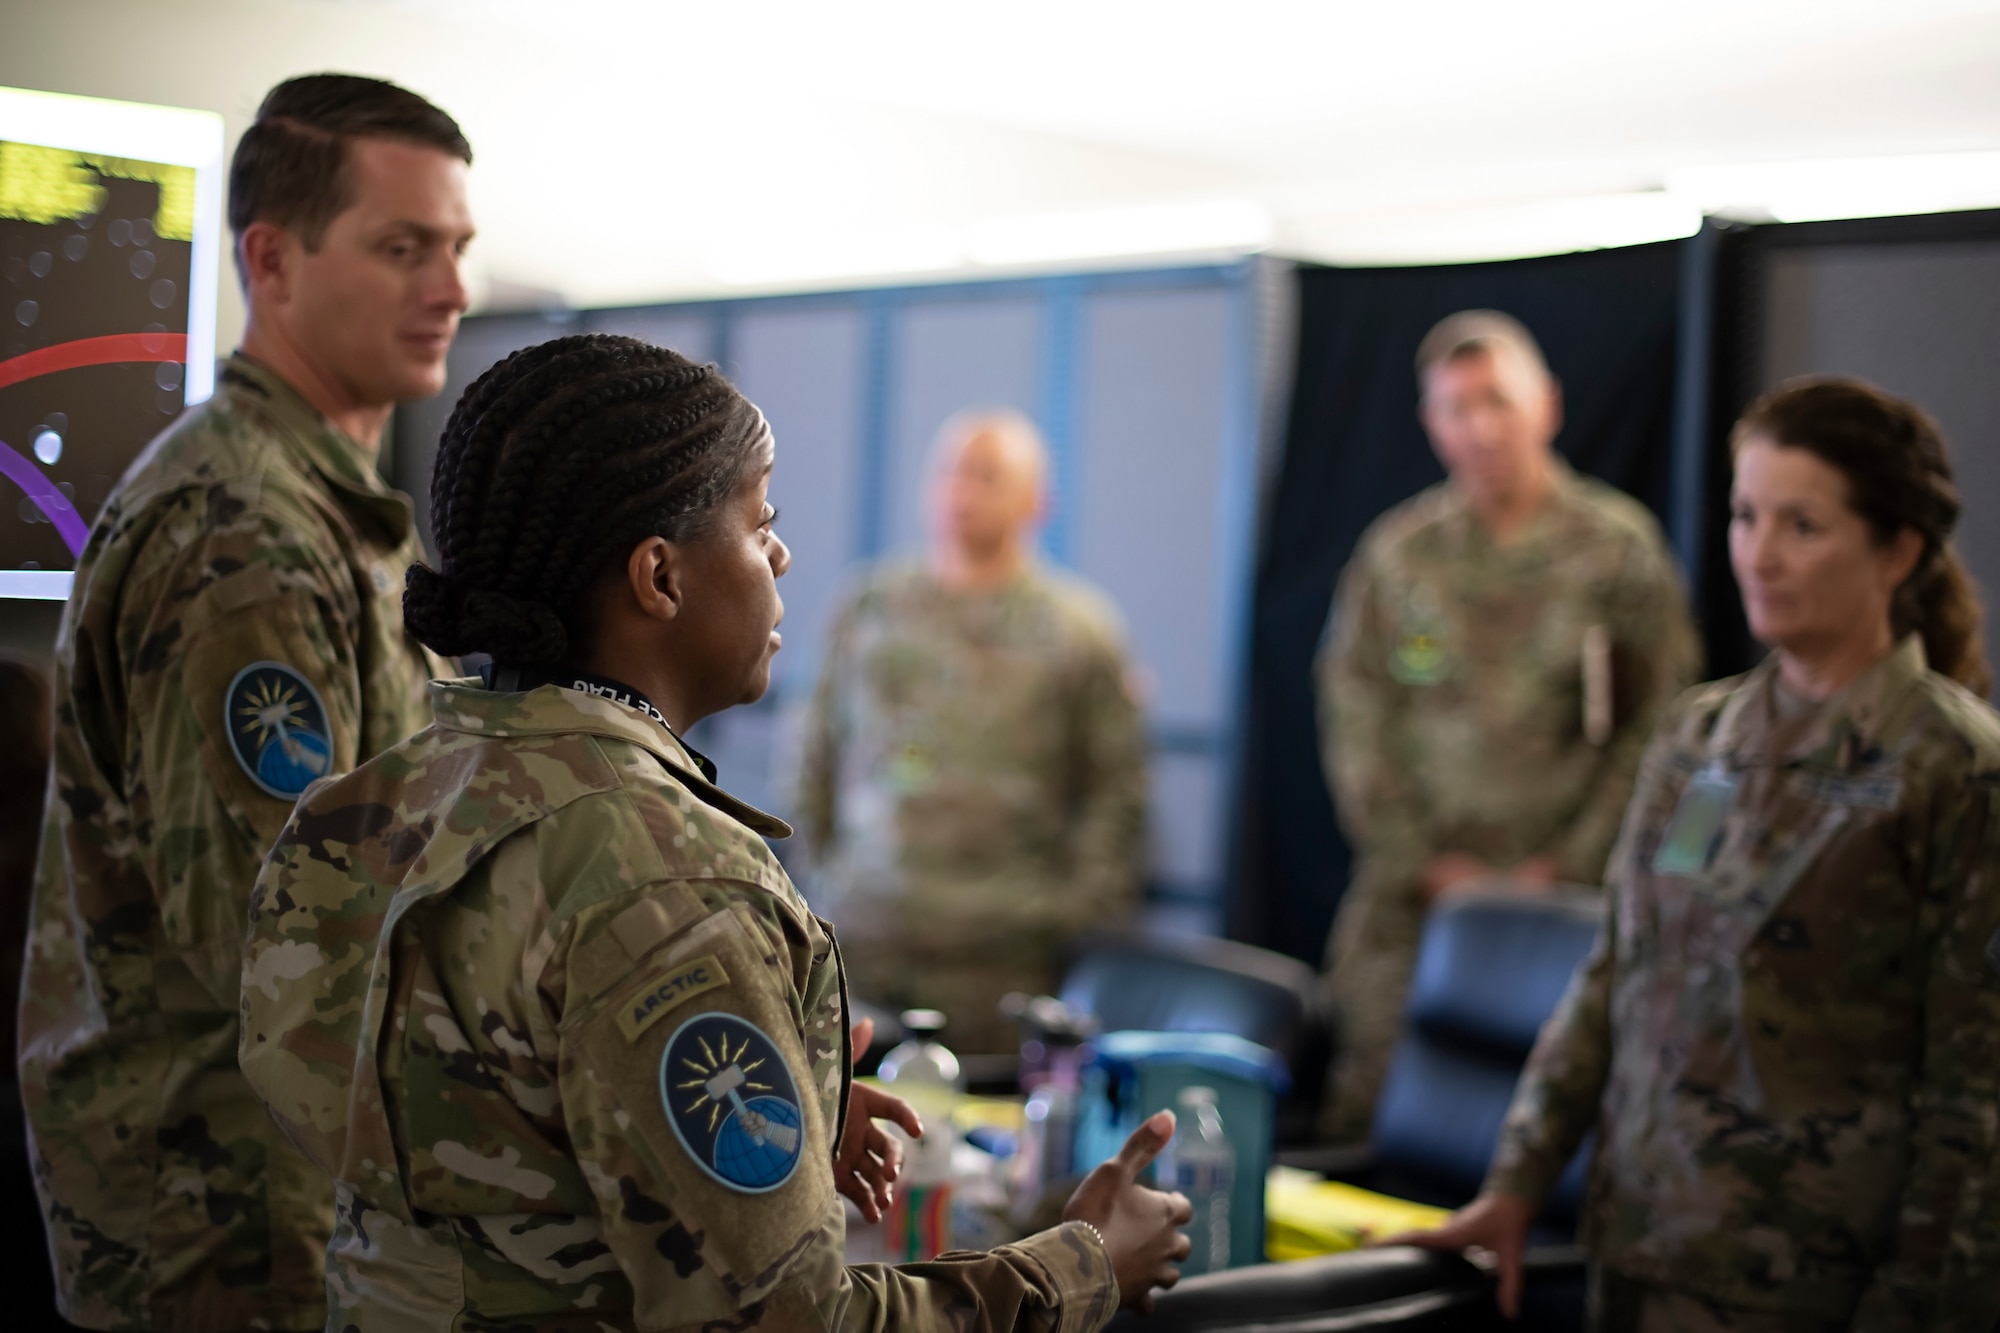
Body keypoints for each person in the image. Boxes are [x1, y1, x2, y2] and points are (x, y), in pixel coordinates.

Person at [236, 334, 1191, 1331]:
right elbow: (792, 1322)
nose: (779, 555)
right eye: (759, 522)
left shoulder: (368, 807)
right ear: (659, 576)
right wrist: (1080, 1266)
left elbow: (492, 1147)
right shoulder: (672, 884)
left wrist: (793, 1114)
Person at [1396, 377, 2000, 1330]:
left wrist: (1922, 1305)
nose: (1760, 554)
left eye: (1803, 525)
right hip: (1640, 1248)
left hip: (1821, 1284)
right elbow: (1612, 976)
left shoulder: (1953, 766)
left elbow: (1974, 1090)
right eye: (1745, 515)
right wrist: (1512, 1186)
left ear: (1897, 550)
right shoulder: (1697, 736)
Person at [19, 74, 473, 1331]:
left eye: (456, 248)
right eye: (404, 248)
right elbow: (284, 957)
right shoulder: (244, 538)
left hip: (301, 1191)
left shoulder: (328, 508)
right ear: (271, 260)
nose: (452, 289)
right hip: (230, 1220)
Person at [1315, 309, 1700, 1140]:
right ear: (1430, 423)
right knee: (1369, 1121)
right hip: (1414, 902)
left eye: (1497, 400)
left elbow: (1660, 731)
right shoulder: (1400, 554)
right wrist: (1418, 860)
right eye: (1456, 407)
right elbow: (1354, 711)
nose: (1479, 426)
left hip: (1562, 907)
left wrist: (1561, 867)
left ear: (1548, 405)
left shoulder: (1617, 551)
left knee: (1544, 1134)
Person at [794, 409, 1148, 1056]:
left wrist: (1070, 914)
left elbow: (1116, 794)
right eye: (951, 472)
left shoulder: (1078, 631)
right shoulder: (869, 606)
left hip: (1003, 956)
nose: (962, 492)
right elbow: (810, 755)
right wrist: (824, 881)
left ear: (1039, 500)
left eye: (988, 476)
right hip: (865, 936)